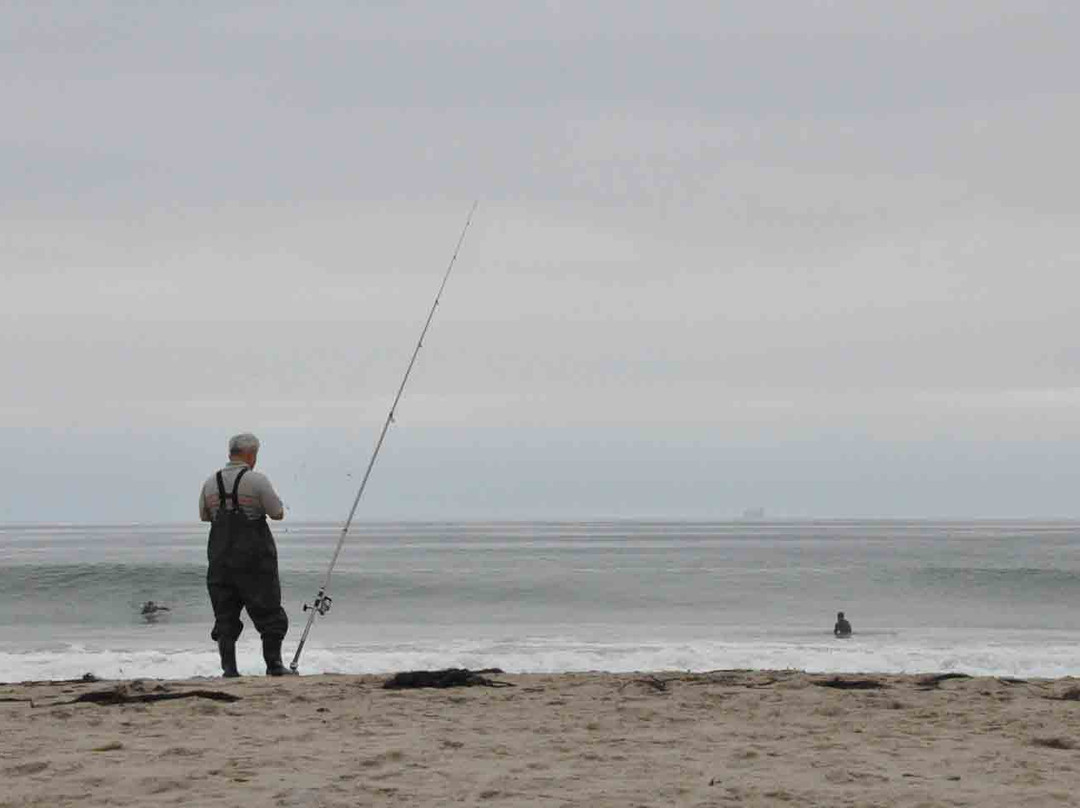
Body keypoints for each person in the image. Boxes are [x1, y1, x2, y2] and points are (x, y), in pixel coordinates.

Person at [199, 433, 295, 677]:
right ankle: (274, 666)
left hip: (220, 559)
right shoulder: (257, 480)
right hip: (255, 561)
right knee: (270, 615)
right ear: (251, 454)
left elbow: (205, 516)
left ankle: (229, 670)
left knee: (225, 617)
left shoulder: (211, 482)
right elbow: (277, 513)